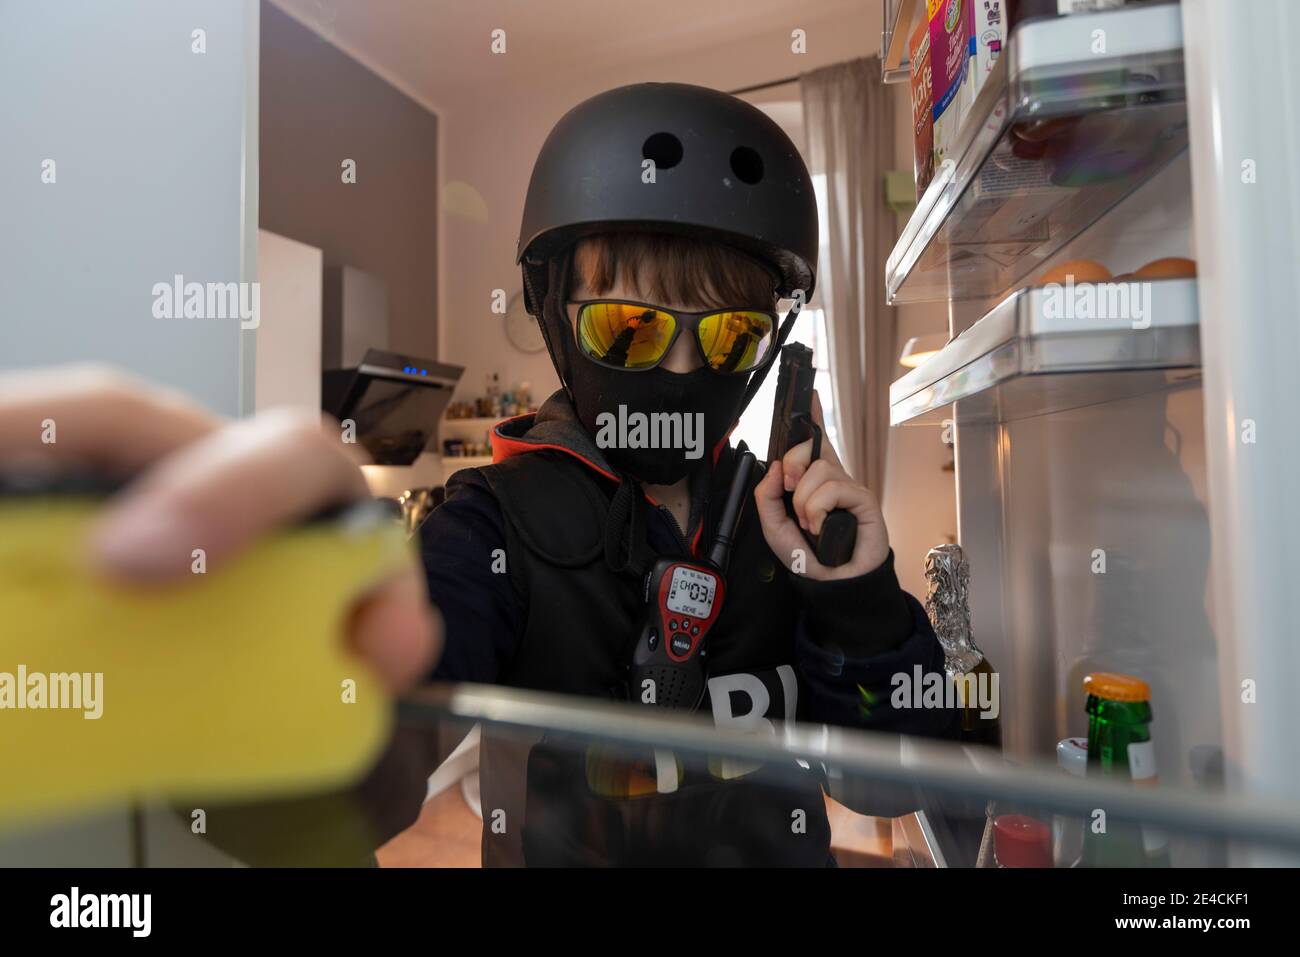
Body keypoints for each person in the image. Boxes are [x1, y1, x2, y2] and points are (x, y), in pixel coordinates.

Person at [0, 82, 955, 867]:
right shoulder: (489, 521)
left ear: (773, 347)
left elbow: (892, 785)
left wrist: (859, 604)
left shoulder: (781, 520)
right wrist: (268, 643)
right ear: (551, 312)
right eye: (628, 326)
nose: (677, 376)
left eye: (729, 335)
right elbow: (348, 775)